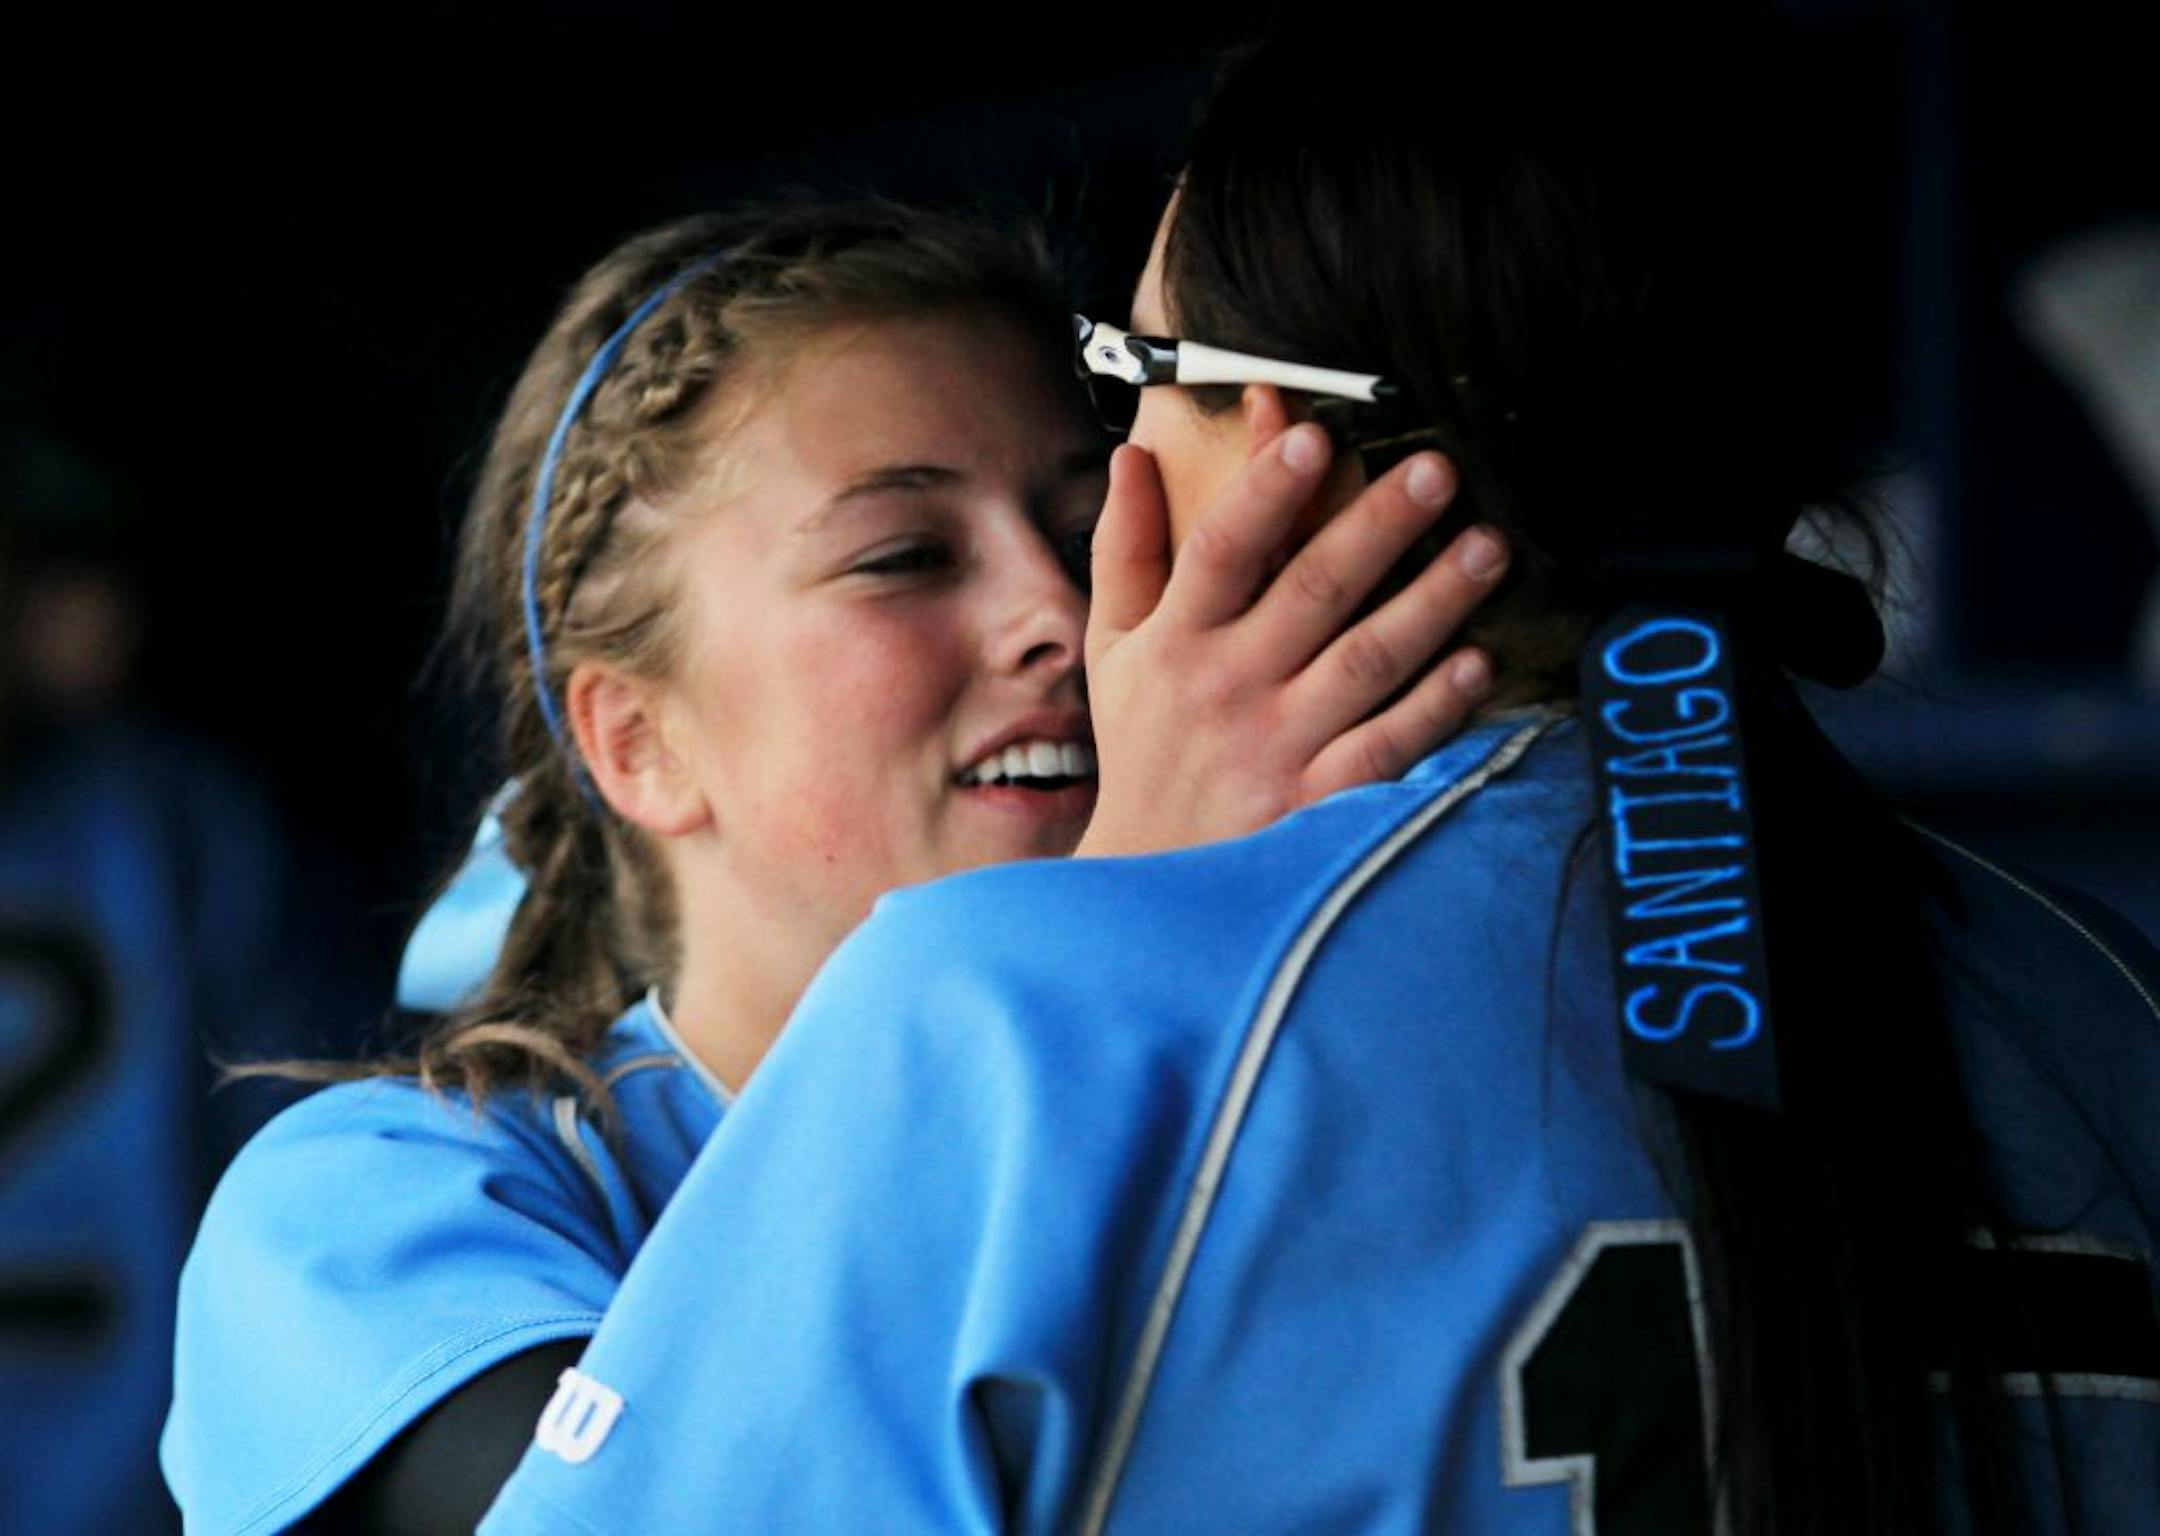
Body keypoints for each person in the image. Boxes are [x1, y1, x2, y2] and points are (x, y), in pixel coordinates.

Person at [475, 14, 2160, 1536]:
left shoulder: (998, 1001)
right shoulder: (2108, 991)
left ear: (1302, 446)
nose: (1086, 548)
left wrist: (1113, 946)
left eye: (1142, 382)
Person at [161, 199, 1505, 1533]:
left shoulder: (1331, 1077)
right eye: (908, 557)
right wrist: (1100, 948)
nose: (1058, 610)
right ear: (637, 744)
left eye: (1089, 526)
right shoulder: (367, 1211)